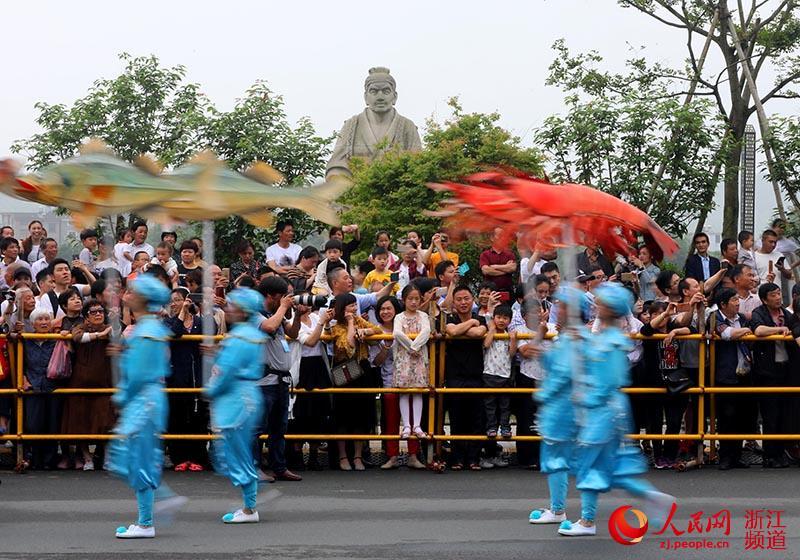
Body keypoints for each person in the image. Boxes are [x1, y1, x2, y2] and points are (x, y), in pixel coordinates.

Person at [558, 283, 673, 536]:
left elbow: (609, 382)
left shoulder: (611, 343)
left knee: (588, 466)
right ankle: (652, 497)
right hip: (604, 411)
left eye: (600, 302)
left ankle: (588, 522)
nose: (595, 304)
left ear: (611, 309)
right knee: (605, 468)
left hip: (605, 412)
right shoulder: (605, 338)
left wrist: (584, 398)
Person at [108, 276, 184, 539]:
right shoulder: (148, 328)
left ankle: (147, 519)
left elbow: (138, 374)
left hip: (143, 398)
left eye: (132, 291)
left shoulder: (146, 331)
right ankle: (155, 506)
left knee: (132, 458)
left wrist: (122, 395)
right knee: (134, 456)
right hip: (147, 398)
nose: (127, 293)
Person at [205, 288, 267, 524]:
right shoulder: (248, 334)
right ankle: (249, 503)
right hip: (246, 396)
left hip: (236, 398)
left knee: (235, 452)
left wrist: (210, 391)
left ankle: (250, 506)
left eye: (231, 305)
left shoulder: (239, 338)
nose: (227, 308)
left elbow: (227, 372)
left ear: (243, 310)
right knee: (237, 450)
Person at [529, 287, 581, 525]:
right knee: (557, 459)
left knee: (562, 459)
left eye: (561, 304)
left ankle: (579, 517)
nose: (556, 308)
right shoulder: (567, 337)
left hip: (567, 408)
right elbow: (556, 366)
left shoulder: (575, 338)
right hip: (563, 408)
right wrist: (539, 350)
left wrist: (545, 394)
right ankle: (558, 508)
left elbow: (564, 374)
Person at [255, 276, 303, 482]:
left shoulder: (276, 314)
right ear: (270, 296)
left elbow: (292, 332)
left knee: (278, 429)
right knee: (257, 428)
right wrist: (283, 308)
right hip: (263, 383)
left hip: (281, 381)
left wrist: (298, 315)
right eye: (281, 297)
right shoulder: (254, 314)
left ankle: (279, 467)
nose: (285, 300)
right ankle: (253, 468)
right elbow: (268, 328)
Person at [328, 292, 382, 470]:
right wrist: (351, 323)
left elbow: (378, 330)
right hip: (344, 374)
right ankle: (343, 457)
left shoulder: (361, 320)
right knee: (343, 416)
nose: (353, 308)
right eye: (350, 305)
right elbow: (349, 344)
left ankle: (358, 456)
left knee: (362, 415)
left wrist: (365, 331)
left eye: (354, 305)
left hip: (362, 371)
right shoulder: (335, 327)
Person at [61, 300, 114, 470]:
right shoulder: (80, 327)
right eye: (93, 312)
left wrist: (108, 332)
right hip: (80, 382)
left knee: (105, 421)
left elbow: (122, 339)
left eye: (100, 311)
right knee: (80, 422)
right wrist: (99, 335)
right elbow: (77, 337)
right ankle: (87, 458)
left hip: (104, 382)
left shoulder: (111, 327)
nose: (98, 314)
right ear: (86, 317)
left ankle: (107, 457)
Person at [749, 282, 798, 468]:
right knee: (770, 414)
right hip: (767, 371)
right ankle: (770, 455)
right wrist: (778, 330)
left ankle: (782, 452)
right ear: (764, 299)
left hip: (787, 369)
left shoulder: (787, 314)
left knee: (785, 413)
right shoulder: (759, 313)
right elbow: (758, 330)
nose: (778, 297)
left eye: (779, 293)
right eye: (773, 295)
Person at [164, 288, 209, 471]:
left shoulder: (201, 322)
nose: (174, 303)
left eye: (178, 300)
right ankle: (179, 457)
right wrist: (181, 313)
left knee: (198, 418)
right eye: (172, 301)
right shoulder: (167, 322)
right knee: (178, 417)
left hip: (198, 376)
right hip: (177, 376)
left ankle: (197, 457)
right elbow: (174, 333)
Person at [444, 285, 488, 470]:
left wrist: (467, 327)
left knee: (476, 419)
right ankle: (457, 458)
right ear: (453, 302)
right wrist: (470, 324)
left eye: (467, 298)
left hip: (476, 375)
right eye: (459, 299)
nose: (463, 302)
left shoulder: (482, 318)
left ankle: (474, 458)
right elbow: (452, 332)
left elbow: (479, 333)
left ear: (473, 300)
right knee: (457, 418)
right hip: (454, 375)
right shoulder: (449, 319)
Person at [708, 288, 753, 470]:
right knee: (726, 417)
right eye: (734, 300)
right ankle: (725, 456)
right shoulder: (715, 318)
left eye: (737, 299)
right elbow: (726, 334)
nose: (737, 303)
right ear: (723, 304)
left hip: (744, 373)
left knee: (742, 416)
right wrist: (747, 330)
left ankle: (737, 455)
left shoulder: (740, 318)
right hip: (724, 374)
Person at [294, 305, 335, 470]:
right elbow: (310, 342)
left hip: (319, 367)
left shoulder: (318, 318)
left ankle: (314, 455)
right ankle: (297, 456)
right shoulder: (293, 322)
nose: (307, 305)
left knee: (319, 412)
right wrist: (321, 323)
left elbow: (328, 338)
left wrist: (326, 323)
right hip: (302, 368)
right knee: (300, 412)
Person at [19, 309, 60, 471]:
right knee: (33, 424)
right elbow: (20, 363)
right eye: (40, 319)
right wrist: (23, 378)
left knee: (52, 424)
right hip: (33, 385)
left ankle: (50, 461)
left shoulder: (57, 340)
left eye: (46, 319)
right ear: (33, 323)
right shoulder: (26, 340)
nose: (44, 322)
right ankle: (35, 459)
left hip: (53, 386)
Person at [392, 283, 431, 440]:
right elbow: (397, 333)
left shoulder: (423, 316)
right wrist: (412, 347)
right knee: (404, 391)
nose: (414, 302)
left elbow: (426, 331)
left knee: (418, 391)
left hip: (419, 356)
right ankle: (406, 425)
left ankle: (417, 425)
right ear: (404, 300)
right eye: (410, 299)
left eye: (416, 299)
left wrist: (415, 347)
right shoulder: (399, 317)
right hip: (404, 357)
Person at [482, 304, 516, 438]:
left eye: (505, 318)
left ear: (510, 320)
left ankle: (505, 427)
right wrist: (492, 329)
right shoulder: (490, 333)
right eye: (499, 317)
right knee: (490, 405)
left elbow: (512, 353)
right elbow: (486, 344)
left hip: (505, 375)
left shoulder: (509, 335)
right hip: (489, 374)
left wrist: (513, 340)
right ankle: (491, 427)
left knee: (505, 405)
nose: (501, 320)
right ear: (494, 318)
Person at [479, 227, 517, 298]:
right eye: (500, 235)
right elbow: (486, 270)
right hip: (491, 293)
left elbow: (512, 268)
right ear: (492, 238)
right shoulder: (485, 254)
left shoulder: (509, 254)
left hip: (507, 291)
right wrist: (505, 270)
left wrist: (494, 266)